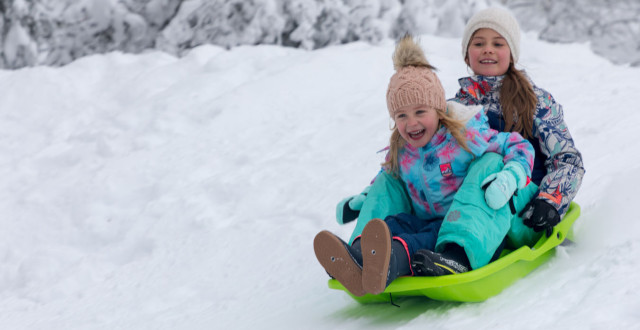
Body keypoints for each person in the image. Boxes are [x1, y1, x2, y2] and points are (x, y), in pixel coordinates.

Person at [314, 34, 535, 297]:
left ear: (438, 110)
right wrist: (365, 196)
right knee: (393, 215)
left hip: (469, 226)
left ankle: (400, 262)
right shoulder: (403, 149)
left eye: (420, 112)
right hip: (424, 219)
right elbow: (385, 178)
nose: (412, 124)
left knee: (488, 163)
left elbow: (519, 146)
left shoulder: (465, 137)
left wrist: (511, 176)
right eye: (402, 116)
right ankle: (358, 256)